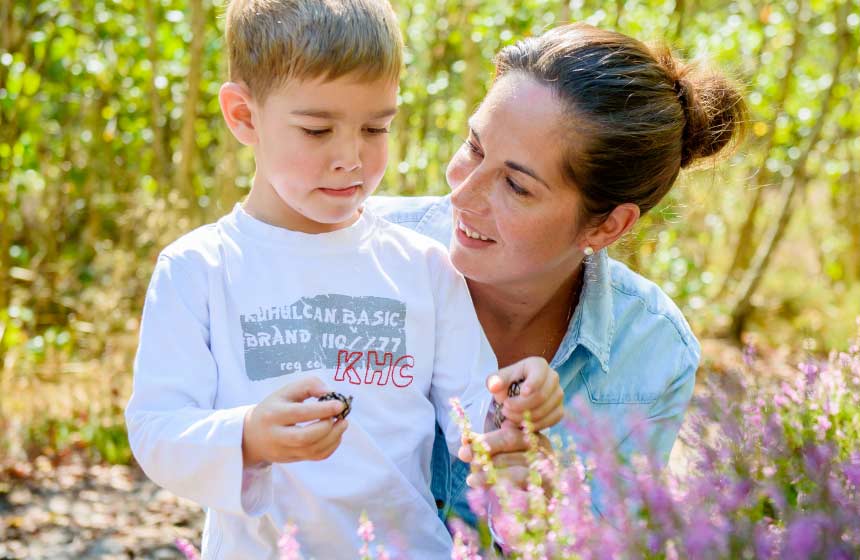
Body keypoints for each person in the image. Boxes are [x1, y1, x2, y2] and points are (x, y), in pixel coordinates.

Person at [124, 1, 564, 557]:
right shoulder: (200, 269)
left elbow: (472, 414)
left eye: (375, 128)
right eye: (316, 130)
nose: (350, 158)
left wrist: (515, 403)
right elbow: (157, 429)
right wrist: (250, 435)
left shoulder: (423, 268)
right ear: (244, 117)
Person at [368, 22, 747, 522]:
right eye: (474, 148)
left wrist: (550, 507)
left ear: (608, 225)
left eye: (517, 186)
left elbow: (611, 544)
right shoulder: (355, 251)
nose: (461, 194)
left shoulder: (653, 351)